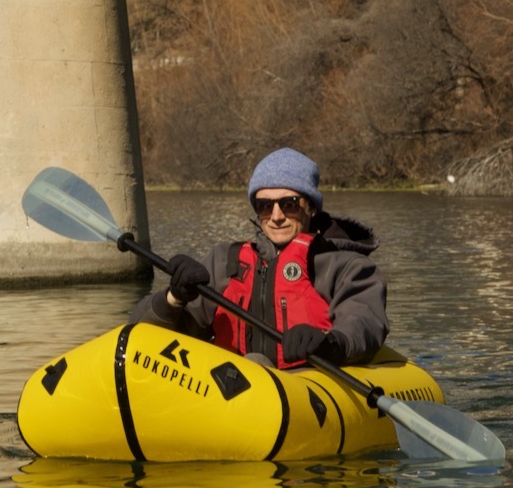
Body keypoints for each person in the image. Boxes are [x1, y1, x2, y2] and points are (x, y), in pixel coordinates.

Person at [128, 147, 388, 369]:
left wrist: (329, 342)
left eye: (289, 203)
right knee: (252, 362)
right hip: (229, 394)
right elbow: (141, 335)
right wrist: (174, 298)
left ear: (311, 207)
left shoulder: (347, 266)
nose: (276, 216)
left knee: (255, 362)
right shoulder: (224, 262)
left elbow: (363, 320)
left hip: (306, 389)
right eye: (265, 205)